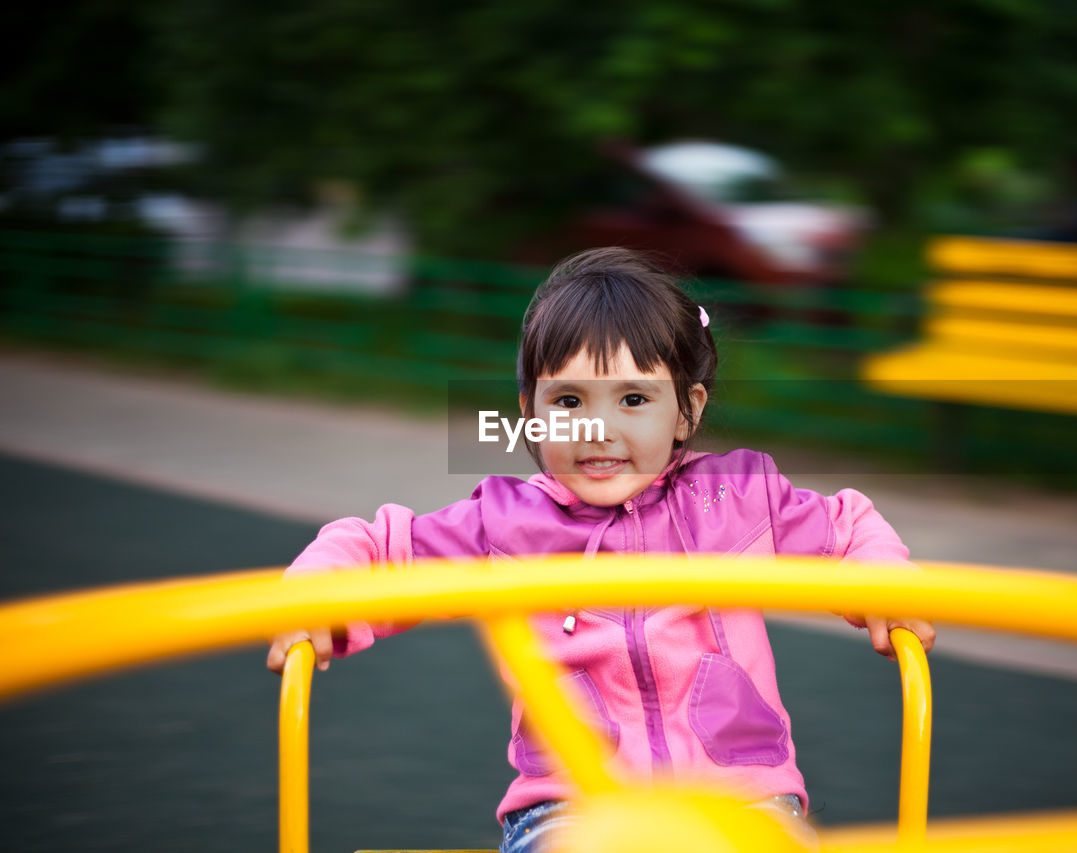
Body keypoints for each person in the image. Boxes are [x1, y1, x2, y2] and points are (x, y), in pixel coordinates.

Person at [266, 247, 935, 851]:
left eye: (635, 398)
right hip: (571, 808)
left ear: (686, 411)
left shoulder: (734, 499)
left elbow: (849, 525)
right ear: (530, 411)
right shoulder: (504, 522)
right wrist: (317, 595)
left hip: (742, 795)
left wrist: (882, 584)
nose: (600, 428)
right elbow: (380, 547)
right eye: (569, 400)